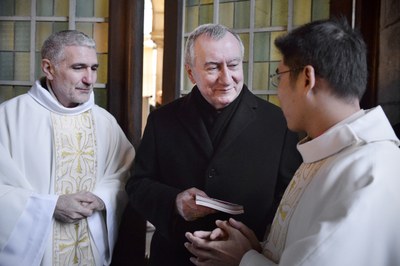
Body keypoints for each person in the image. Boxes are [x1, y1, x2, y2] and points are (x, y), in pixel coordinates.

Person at [184, 17, 400, 266]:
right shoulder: (328, 153)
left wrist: (244, 259)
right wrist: (257, 249)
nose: (278, 91)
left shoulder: (370, 172)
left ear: (307, 79)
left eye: (280, 76)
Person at [126, 23, 302, 265]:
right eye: (212, 67)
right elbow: (137, 185)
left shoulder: (279, 122)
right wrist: (175, 202)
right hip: (174, 257)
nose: (226, 78)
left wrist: (252, 243)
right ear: (191, 73)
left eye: (233, 65)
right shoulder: (162, 119)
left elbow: (290, 198)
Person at [0, 30, 135, 265]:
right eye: (78, 67)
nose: (89, 79)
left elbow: (128, 175)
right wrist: (49, 206)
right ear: (48, 68)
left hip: (90, 252)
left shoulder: (105, 122)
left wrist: (102, 198)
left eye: (93, 68)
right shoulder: (8, 118)